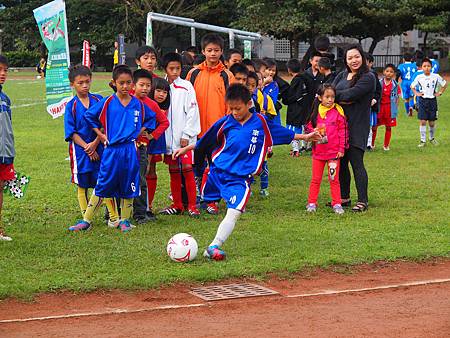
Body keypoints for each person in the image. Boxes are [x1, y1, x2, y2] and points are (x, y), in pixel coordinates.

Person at [173, 84, 321, 260]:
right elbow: (205, 141)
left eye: (238, 108)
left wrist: (305, 137)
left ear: (249, 103)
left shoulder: (260, 122)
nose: (234, 112)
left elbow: (280, 133)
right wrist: (186, 149)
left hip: (240, 179)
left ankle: (213, 246)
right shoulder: (226, 122)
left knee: (234, 211)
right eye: (231, 108)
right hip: (217, 173)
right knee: (203, 203)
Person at [69, 65, 156, 232]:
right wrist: (101, 136)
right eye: (121, 83)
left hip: (130, 150)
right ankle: (86, 220)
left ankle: (124, 220)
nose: (125, 86)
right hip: (111, 150)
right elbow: (89, 116)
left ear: (132, 84)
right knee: (102, 184)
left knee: (129, 185)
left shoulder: (138, 104)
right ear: (114, 83)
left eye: (128, 83)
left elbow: (151, 120)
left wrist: (141, 131)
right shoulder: (108, 102)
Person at [64, 65, 120, 226]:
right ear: (72, 84)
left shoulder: (98, 100)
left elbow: (104, 124)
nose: (84, 86)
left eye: (87, 82)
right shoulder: (71, 106)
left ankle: (113, 217)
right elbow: (71, 132)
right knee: (82, 185)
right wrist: (87, 147)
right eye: (80, 83)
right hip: (80, 152)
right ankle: (85, 218)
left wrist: (95, 143)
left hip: (100, 148)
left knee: (103, 182)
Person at [186, 33, 235, 215]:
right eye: (209, 50)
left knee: (215, 166)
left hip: (217, 130)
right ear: (203, 51)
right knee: (196, 165)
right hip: (196, 130)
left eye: (216, 50)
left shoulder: (226, 75)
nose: (213, 54)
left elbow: (231, 103)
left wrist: (226, 127)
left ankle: (212, 200)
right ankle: (196, 196)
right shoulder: (193, 73)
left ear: (221, 51)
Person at [333, 44, 376, 212]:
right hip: (339, 126)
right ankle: (344, 197)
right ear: (345, 60)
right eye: (350, 58)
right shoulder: (342, 75)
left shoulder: (368, 76)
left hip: (357, 125)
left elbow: (351, 94)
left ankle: (362, 200)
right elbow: (330, 93)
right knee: (341, 162)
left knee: (356, 162)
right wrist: (339, 98)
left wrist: (338, 97)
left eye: (356, 56)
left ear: (363, 57)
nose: (354, 60)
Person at [160, 52, 201, 217]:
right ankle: (177, 204)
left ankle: (192, 205)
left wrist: (187, 134)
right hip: (167, 139)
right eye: (172, 68)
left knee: (187, 169)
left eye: (178, 68)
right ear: (165, 69)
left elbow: (193, 111)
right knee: (173, 170)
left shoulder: (186, 86)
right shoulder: (160, 86)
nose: (175, 72)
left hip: (184, 138)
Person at [132, 69, 169, 222]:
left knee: (140, 178)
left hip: (141, 146)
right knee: (122, 177)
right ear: (134, 85)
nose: (145, 88)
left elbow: (164, 122)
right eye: (142, 85)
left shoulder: (152, 104)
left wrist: (152, 135)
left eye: (148, 85)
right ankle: (115, 212)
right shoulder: (126, 100)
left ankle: (141, 213)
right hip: (123, 146)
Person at [305, 84, 348, 214]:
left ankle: (337, 203)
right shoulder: (315, 113)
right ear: (319, 98)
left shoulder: (338, 113)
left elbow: (343, 131)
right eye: (327, 97)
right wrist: (313, 131)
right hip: (318, 153)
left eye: (332, 97)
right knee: (315, 179)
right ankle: (312, 202)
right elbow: (307, 127)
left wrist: (342, 148)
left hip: (334, 154)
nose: (330, 100)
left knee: (334, 179)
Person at [147, 77, 171, 216]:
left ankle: (148, 205)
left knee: (151, 170)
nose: (161, 94)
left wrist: (153, 135)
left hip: (155, 143)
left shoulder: (164, 108)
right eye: (158, 91)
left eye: (165, 92)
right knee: (141, 171)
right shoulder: (146, 104)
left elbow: (165, 123)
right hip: (143, 143)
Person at [410, 58, 447, 147]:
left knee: (431, 122)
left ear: (431, 67)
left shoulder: (436, 76)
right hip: (422, 101)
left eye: (428, 66)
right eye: (424, 66)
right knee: (423, 121)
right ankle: (423, 141)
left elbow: (444, 84)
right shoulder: (419, 77)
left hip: (432, 101)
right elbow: (412, 86)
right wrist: (417, 93)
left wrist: (440, 92)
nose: (426, 68)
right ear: (421, 67)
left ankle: (432, 138)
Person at [371, 64, 400, 151]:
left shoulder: (395, 85)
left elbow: (397, 97)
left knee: (388, 127)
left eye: (391, 72)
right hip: (379, 108)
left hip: (389, 109)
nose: (389, 73)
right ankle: (371, 144)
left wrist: (395, 108)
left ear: (394, 74)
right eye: (387, 71)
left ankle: (386, 145)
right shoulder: (379, 83)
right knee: (374, 127)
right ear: (383, 72)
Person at [0, 55, 13, 241]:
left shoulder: (5, 99)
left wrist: (10, 152)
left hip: (3, 151)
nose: (3, 74)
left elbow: (8, 128)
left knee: (0, 188)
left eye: (5, 71)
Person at [283, 58, 308, 157]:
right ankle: (304, 146)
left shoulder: (296, 80)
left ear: (289, 70)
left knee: (293, 129)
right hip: (304, 108)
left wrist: (286, 99)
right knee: (303, 127)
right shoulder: (304, 78)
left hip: (295, 110)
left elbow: (293, 96)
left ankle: (295, 150)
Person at [365, 53, 381, 150]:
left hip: (369, 105)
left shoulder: (372, 74)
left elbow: (378, 90)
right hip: (358, 105)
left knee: (369, 125)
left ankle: (369, 144)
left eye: (366, 61)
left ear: (371, 63)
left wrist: (374, 100)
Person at [261, 59, 281, 125]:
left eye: (273, 70)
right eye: (269, 70)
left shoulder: (274, 85)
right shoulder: (258, 82)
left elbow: (272, 100)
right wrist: (264, 83)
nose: (271, 72)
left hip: (271, 115)